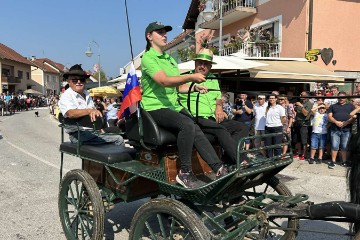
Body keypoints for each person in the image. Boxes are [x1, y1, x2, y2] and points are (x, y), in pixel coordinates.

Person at [141, 22, 227, 188]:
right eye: (159, 32)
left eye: (165, 32)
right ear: (149, 36)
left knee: (195, 126)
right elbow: (164, 81)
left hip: (173, 106)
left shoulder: (170, 60)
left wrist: (195, 87)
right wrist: (191, 77)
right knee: (186, 124)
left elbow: (178, 86)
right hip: (154, 107)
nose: (164, 35)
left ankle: (218, 167)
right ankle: (185, 172)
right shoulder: (148, 58)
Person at [178, 48, 249, 164]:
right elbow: (177, 89)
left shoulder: (213, 78)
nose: (202, 66)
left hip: (214, 118)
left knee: (242, 127)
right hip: (196, 118)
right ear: (195, 63)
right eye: (200, 63)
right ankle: (240, 160)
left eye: (206, 64)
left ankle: (229, 157)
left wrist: (219, 107)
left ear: (210, 66)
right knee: (220, 130)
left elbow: (218, 98)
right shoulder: (185, 78)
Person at [58, 64, 124, 146]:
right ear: (69, 81)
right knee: (118, 139)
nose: (79, 82)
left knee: (120, 131)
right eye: (75, 80)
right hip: (78, 135)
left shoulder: (87, 94)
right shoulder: (67, 96)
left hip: (92, 131)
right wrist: (89, 111)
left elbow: (93, 114)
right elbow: (70, 113)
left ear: (85, 81)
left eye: (81, 80)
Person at [327, 92, 355, 169]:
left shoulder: (351, 106)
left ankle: (344, 162)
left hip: (346, 129)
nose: (341, 99)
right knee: (335, 146)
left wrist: (347, 122)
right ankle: (333, 161)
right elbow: (329, 116)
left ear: (345, 98)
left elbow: (354, 116)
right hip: (335, 129)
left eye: (342, 97)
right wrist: (336, 122)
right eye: (339, 97)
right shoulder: (333, 106)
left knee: (344, 146)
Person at [293, 91, 313, 160]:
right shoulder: (300, 102)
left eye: (302, 94)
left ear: (306, 96)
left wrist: (301, 106)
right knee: (298, 139)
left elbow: (306, 114)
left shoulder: (309, 104)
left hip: (304, 123)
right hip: (297, 122)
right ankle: (299, 153)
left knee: (304, 140)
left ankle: (304, 154)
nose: (300, 95)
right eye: (300, 94)